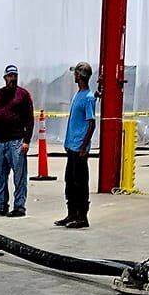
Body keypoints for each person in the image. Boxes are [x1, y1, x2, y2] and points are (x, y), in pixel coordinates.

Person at [0, 62, 34, 217]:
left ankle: (19, 207)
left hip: (16, 142)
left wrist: (26, 141)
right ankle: (1, 205)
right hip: (0, 142)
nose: (13, 78)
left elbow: (30, 119)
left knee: (19, 176)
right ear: (5, 77)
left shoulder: (23, 95)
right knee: (0, 176)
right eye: (10, 76)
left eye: (15, 75)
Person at [56, 62, 96, 228]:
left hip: (79, 148)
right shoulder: (78, 95)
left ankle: (82, 216)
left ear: (80, 76)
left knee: (80, 183)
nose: (74, 76)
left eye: (76, 74)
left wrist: (83, 147)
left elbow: (91, 124)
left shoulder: (88, 98)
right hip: (72, 146)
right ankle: (71, 213)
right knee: (70, 181)